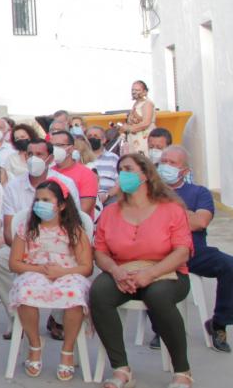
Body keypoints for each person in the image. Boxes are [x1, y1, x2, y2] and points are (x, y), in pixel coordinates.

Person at [90, 153, 194, 388]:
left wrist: (150, 274)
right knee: (99, 293)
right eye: (120, 170)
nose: (123, 174)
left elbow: (181, 252)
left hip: (166, 272)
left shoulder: (171, 209)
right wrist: (115, 271)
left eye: (128, 168)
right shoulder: (110, 212)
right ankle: (121, 369)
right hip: (123, 271)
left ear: (145, 174)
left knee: (157, 296)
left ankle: (182, 371)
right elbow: (100, 252)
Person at [0, 139, 81, 337]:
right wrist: (26, 252)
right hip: (23, 247)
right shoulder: (14, 186)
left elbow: (74, 224)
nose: (34, 159)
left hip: (59, 249)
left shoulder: (65, 184)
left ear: (50, 158)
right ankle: (18, 316)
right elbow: (9, 230)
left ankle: (58, 319)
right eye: (30, 154)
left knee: (73, 270)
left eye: (40, 154)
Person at [9, 180, 94, 381]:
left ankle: (67, 349)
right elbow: (14, 263)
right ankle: (35, 344)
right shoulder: (26, 228)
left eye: (46, 200)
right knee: (25, 292)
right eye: (37, 200)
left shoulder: (74, 230)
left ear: (61, 205)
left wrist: (62, 272)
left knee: (74, 294)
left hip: (67, 273)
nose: (40, 204)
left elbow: (86, 267)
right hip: (35, 271)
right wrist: (39, 269)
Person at [154, 146, 233, 353]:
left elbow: (201, 222)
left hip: (193, 251)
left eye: (173, 163)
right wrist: (185, 216)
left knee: (229, 265)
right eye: (164, 161)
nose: (166, 167)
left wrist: (169, 215)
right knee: (151, 271)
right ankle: (160, 328)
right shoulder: (149, 192)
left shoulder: (199, 192)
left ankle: (219, 323)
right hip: (158, 252)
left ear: (185, 171)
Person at [48, 130, 98, 216]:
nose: (54, 149)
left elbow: (84, 210)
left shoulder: (86, 174)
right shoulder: (48, 172)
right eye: (51, 146)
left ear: (71, 148)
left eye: (59, 145)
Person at [87, 126, 121, 205]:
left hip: (110, 199)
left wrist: (106, 195)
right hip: (88, 198)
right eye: (89, 136)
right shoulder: (81, 158)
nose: (92, 138)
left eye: (95, 136)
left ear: (103, 140)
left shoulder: (113, 158)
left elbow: (119, 182)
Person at [123, 80, 157, 156]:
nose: (134, 92)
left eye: (137, 90)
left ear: (145, 91)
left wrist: (129, 128)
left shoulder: (147, 103)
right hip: (135, 140)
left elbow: (146, 123)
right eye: (133, 90)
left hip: (144, 139)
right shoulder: (137, 103)